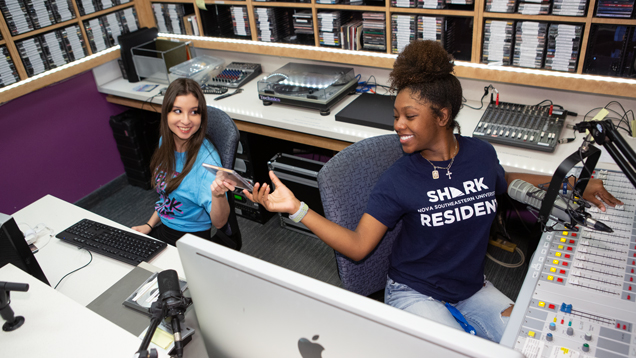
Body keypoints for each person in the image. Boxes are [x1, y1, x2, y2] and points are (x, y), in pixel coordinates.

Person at [243, 40, 623, 342]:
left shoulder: (480, 154)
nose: (398, 125)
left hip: (471, 287)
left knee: (529, 341)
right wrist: (296, 209)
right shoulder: (399, 178)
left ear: (442, 117)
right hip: (413, 291)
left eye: (410, 116)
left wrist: (572, 181)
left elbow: (503, 180)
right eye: (396, 115)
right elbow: (359, 246)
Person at [132, 78, 234, 246]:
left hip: (190, 239)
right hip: (165, 229)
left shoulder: (207, 164)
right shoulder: (166, 141)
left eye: (194, 112)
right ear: (166, 113)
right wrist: (149, 224)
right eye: (178, 111)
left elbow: (220, 222)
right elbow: (167, 196)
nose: (186, 121)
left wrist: (218, 194)